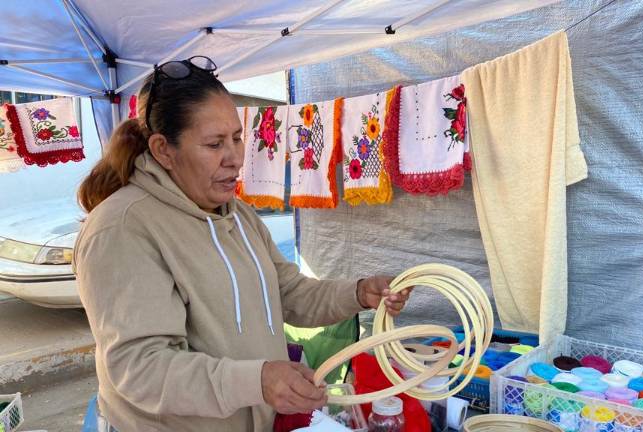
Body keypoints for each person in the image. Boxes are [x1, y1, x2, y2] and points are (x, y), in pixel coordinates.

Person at [74, 56, 411, 431]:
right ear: (163, 149)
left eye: (237, 137)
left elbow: (289, 292)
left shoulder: (238, 213)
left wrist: (359, 293)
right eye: (215, 144)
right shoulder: (122, 229)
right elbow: (141, 368)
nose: (235, 158)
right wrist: (259, 380)